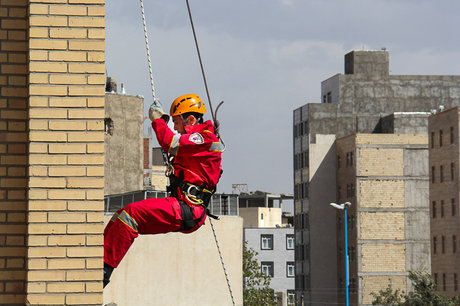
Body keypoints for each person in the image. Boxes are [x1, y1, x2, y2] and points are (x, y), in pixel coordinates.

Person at [103, 94, 223, 288]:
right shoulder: (197, 139)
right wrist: (163, 122)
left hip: (188, 209)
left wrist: (158, 121)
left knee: (132, 214)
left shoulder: (203, 137)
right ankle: (99, 260)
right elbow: (175, 141)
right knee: (120, 217)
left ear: (190, 119)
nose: (175, 127)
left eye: (176, 121)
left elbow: (171, 143)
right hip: (184, 206)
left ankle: (103, 269)